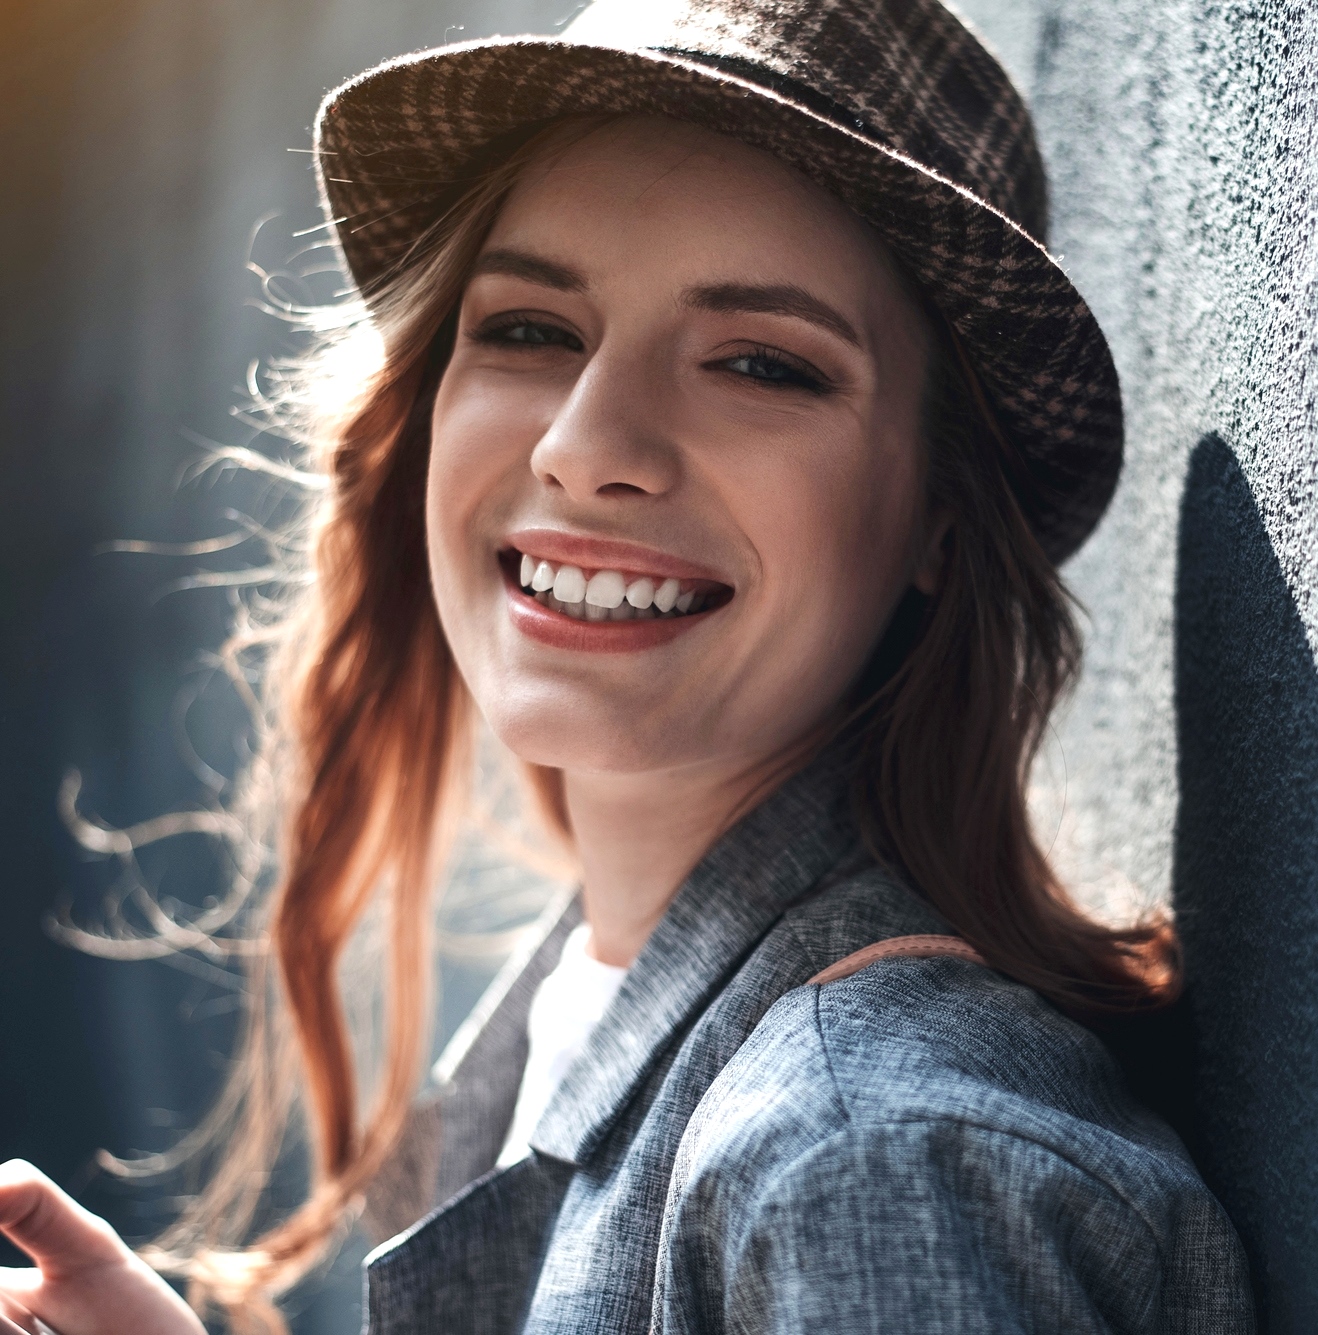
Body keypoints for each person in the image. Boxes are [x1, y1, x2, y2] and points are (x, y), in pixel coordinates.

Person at [0, 0, 1253, 1330]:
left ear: (942, 514)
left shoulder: (866, 1161)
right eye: (531, 330)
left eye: (762, 362)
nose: (588, 443)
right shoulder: (585, 1017)